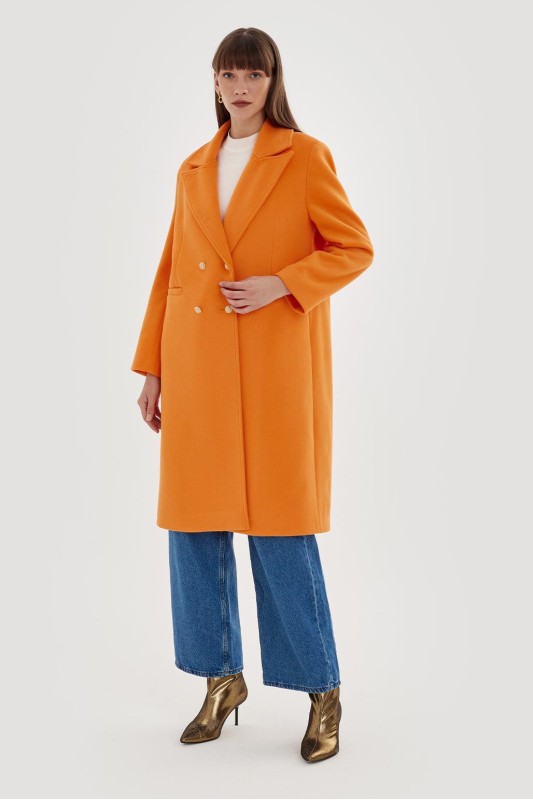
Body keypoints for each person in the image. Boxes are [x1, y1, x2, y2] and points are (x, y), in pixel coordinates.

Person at [131, 27, 374, 763]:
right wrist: (153, 367)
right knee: (194, 530)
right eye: (229, 75)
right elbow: (171, 268)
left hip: (272, 370)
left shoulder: (303, 156)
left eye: (253, 75)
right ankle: (220, 679)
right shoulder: (192, 167)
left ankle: (322, 692)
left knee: (280, 533)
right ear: (213, 81)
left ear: (272, 81)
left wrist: (283, 284)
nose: (240, 88)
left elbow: (353, 247)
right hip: (199, 368)